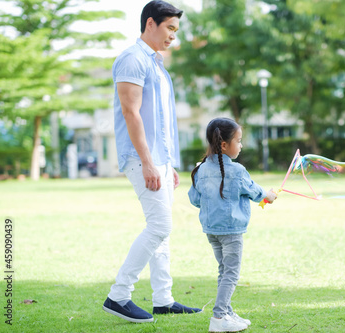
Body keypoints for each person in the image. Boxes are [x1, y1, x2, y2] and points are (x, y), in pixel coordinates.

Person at [102, 0, 201, 323]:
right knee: (160, 226)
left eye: (176, 29)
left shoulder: (156, 63)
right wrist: (147, 161)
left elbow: (157, 120)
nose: (173, 35)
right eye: (169, 28)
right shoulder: (132, 59)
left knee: (161, 231)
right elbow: (131, 113)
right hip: (140, 157)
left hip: (158, 159)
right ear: (149, 24)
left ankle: (163, 299)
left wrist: (166, 163)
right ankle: (119, 295)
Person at [188, 118, 277, 332]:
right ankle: (218, 318)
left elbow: (195, 199)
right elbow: (257, 193)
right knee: (231, 273)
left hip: (212, 230)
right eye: (239, 140)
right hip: (231, 231)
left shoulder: (201, 170)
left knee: (223, 270)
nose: (241, 145)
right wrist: (270, 195)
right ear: (224, 145)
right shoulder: (237, 170)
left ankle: (226, 311)